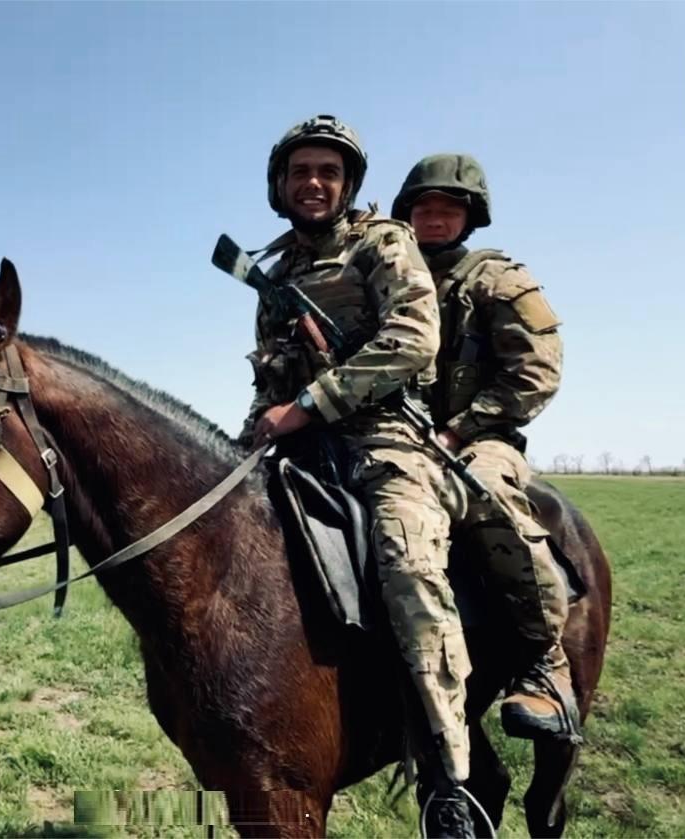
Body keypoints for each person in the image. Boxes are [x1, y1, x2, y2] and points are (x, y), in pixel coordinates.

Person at [237, 116, 474, 835]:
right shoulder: (275, 274)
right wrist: (251, 433)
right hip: (297, 442)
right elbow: (271, 378)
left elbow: (413, 339)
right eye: (300, 171)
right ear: (279, 184)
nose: (313, 183)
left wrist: (311, 404)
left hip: (385, 439)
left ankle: (447, 777)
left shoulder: (384, 242)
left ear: (348, 186)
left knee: (409, 564)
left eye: (328, 172)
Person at [391, 153, 579, 742]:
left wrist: (460, 429)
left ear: (470, 217)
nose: (434, 218)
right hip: (394, 436)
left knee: (484, 493)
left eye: (448, 209)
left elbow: (535, 371)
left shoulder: (498, 280)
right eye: (424, 207)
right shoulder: (385, 279)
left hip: (479, 439)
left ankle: (544, 660)